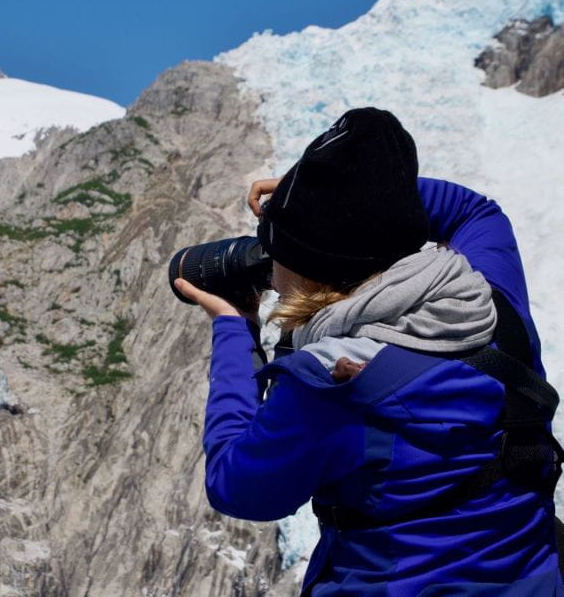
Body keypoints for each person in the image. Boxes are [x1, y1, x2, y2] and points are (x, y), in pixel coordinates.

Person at [173, 107, 562, 596]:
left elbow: (237, 487)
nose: (271, 272)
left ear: (308, 269)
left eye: (279, 256)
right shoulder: (492, 302)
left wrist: (233, 328)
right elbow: (473, 210)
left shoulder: (335, 383)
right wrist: (344, 196)